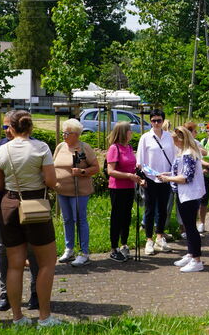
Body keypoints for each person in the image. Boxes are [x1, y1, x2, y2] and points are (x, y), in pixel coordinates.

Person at [0, 110, 61, 328]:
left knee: (14, 265)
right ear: (31, 127)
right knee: (46, 263)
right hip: (35, 205)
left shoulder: (3, 149)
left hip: (9, 206)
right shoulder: (41, 148)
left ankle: (17, 318)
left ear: (10, 128)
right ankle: (44, 317)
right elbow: (51, 180)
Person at [0, 112, 39, 312]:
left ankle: (36, 292)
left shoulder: (38, 146)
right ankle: (5, 292)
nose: (7, 131)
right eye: (4, 127)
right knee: (3, 250)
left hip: (32, 208)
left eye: (9, 126)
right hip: (6, 209)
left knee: (34, 250)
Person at [159, 127, 206, 273]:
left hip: (189, 195)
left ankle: (196, 259)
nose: (173, 143)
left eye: (174, 140)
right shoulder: (184, 153)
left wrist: (167, 178)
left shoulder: (188, 154)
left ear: (181, 139)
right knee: (188, 225)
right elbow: (180, 172)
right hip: (184, 194)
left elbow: (186, 177)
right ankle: (191, 253)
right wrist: (166, 174)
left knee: (190, 227)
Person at [54, 118, 99, 267]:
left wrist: (82, 171)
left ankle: (84, 252)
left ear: (76, 134)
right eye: (63, 132)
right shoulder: (60, 146)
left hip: (79, 191)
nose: (64, 135)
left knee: (80, 220)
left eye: (66, 133)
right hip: (62, 191)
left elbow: (96, 168)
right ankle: (69, 249)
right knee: (67, 220)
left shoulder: (84, 148)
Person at [136, 108, 175, 256]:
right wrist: (144, 177)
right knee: (150, 209)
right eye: (153, 120)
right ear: (150, 122)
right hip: (151, 179)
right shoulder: (145, 138)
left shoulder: (169, 137)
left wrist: (170, 175)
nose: (156, 123)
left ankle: (160, 237)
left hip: (165, 178)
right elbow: (140, 161)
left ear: (163, 121)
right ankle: (149, 240)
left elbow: (173, 158)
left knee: (163, 209)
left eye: (159, 120)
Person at [107, 121, 144, 263]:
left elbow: (131, 167)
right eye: (129, 130)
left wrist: (139, 176)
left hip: (129, 187)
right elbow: (111, 171)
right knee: (117, 217)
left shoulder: (128, 147)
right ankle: (114, 248)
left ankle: (124, 244)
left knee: (126, 217)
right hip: (117, 188)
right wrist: (129, 176)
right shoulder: (114, 148)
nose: (132, 132)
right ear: (123, 132)